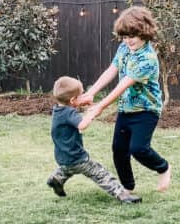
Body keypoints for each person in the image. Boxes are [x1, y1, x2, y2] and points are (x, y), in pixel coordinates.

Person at [78, 6, 171, 193]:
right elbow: (111, 70)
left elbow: (123, 85)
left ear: (144, 33)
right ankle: (127, 188)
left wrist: (100, 107)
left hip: (146, 110)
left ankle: (163, 167)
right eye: (124, 37)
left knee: (138, 148)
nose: (128, 41)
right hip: (126, 109)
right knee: (119, 149)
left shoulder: (148, 59)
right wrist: (91, 92)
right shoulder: (124, 48)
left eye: (132, 36)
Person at [47, 75, 142, 204]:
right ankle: (122, 195)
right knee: (99, 173)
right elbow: (82, 125)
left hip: (62, 157)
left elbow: (72, 113)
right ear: (73, 99)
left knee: (68, 168)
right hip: (77, 157)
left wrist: (84, 106)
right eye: (82, 94)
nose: (84, 95)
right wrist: (92, 114)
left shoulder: (59, 110)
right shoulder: (70, 113)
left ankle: (56, 179)